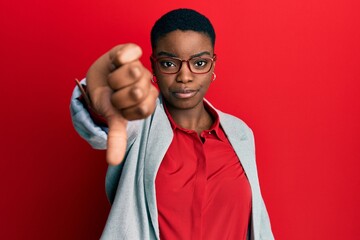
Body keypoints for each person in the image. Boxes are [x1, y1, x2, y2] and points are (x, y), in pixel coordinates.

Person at [70, 8, 274, 240]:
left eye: (199, 63)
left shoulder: (240, 133)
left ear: (213, 64)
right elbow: (106, 118)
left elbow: (257, 224)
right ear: (154, 65)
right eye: (169, 64)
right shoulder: (139, 122)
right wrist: (101, 93)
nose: (184, 76)